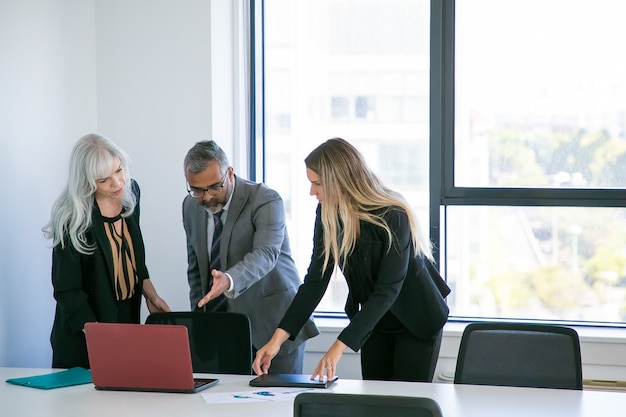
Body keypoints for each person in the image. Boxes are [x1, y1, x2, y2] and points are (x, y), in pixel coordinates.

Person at [252, 138, 451, 382]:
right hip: (374, 320)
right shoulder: (327, 214)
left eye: (317, 183)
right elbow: (315, 282)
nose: (311, 192)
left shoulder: (392, 215)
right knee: (375, 403)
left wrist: (337, 348)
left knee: (407, 404)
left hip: (416, 318)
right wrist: (276, 341)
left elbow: (387, 290)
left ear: (339, 181)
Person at [182, 140, 319, 374]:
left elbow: (265, 254)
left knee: (277, 408)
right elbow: (196, 271)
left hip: (272, 326)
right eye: (197, 190)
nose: (206, 197)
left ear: (230, 173)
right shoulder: (190, 206)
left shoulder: (264, 199)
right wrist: (198, 324)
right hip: (221, 333)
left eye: (215, 187)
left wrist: (229, 280)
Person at [43, 133, 170, 369]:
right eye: (104, 180)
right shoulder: (71, 217)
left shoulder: (131, 193)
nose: (117, 183)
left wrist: (151, 295)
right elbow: (67, 291)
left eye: (119, 170)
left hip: (125, 322)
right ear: (86, 182)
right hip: (84, 334)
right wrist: (102, 339)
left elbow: (131, 257)